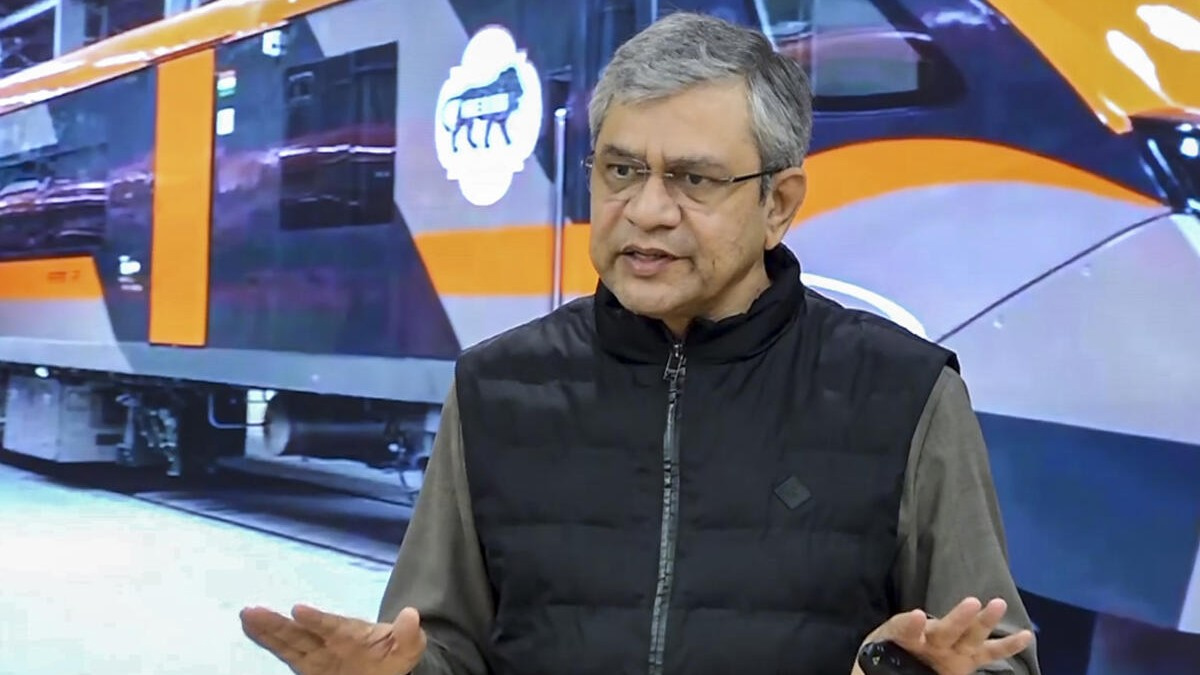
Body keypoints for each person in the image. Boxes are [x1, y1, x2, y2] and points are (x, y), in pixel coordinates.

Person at [239, 11, 1041, 675]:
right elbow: (443, 645)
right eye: (621, 171)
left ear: (778, 203)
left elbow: (993, 659)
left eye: (694, 179)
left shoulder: (905, 395)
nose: (648, 210)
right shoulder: (495, 387)